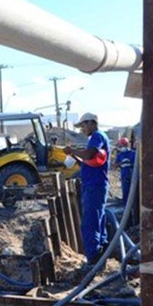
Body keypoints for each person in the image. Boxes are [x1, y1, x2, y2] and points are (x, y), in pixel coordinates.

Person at [63, 112, 110, 266]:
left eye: (83, 125)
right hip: (95, 185)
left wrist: (72, 151)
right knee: (98, 220)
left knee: (90, 223)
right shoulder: (97, 138)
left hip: (94, 186)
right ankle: (101, 254)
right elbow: (88, 162)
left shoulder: (97, 136)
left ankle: (93, 259)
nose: (82, 129)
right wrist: (75, 158)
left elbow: (89, 154)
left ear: (91, 123)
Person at [113, 137, 136, 205]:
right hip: (124, 176)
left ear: (128, 144)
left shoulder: (133, 153)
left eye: (125, 145)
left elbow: (137, 165)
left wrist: (129, 163)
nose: (123, 146)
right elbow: (115, 166)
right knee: (125, 192)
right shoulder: (120, 155)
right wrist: (122, 163)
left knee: (133, 193)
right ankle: (126, 207)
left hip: (132, 176)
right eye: (122, 145)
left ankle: (132, 208)